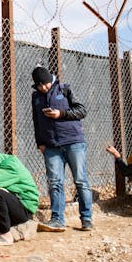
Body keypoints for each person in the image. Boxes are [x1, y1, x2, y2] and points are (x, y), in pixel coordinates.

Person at [31, 66, 94, 232]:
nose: (43, 88)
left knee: (81, 180)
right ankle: (57, 219)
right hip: (51, 145)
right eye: (39, 85)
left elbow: (82, 110)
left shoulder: (65, 89)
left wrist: (61, 114)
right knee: (54, 182)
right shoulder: (36, 97)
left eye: (45, 84)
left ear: (50, 79)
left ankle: (86, 219)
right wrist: (40, 143)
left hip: (73, 141)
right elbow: (36, 121)